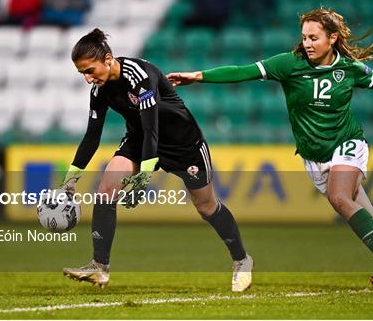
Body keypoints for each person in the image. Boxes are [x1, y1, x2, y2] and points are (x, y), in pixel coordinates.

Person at [167, 8, 373, 288]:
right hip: (314, 157)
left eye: (313, 38)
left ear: (332, 38)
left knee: (339, 197)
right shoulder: (288, 64)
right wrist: (199, 76)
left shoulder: (349, 69)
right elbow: (243, 71)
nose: (307, 44)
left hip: (348, 144)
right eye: (304, 37)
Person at [59, 28, 253, 292]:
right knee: (105, 190)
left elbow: (153, 127)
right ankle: (99, 266)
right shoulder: (99, 90)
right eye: (82, 73)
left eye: (90, 70)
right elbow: (92, 136)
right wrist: (70, 179)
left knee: (206, 207)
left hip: (183, 144)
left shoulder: (138, 76)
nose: (87, 78)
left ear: (107, 59)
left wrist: (144, 176)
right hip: (139, 139)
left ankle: (241, 260)